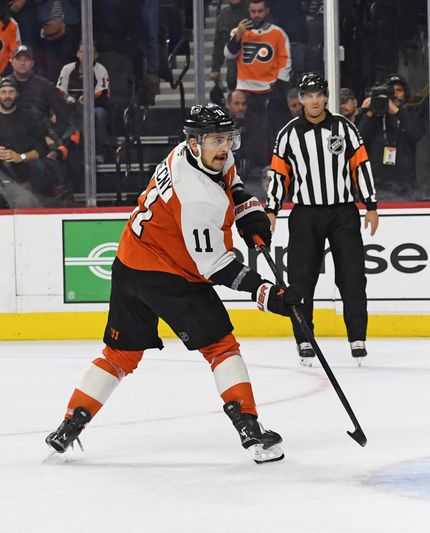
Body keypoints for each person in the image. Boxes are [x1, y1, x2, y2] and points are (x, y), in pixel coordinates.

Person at [44, 103, 303, 464]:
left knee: (120, 355)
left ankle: (69, 425)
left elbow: (230, 178)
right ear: (196, 143)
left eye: (227, 138)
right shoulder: (197, 198)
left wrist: (246, 209)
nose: (225, 147)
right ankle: (250, 429)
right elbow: (218, 268)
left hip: (129, 263)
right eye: (217, 140)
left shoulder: (190, 153)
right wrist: (267, 294)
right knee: (221, 348)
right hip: (170, 276)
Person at [266, 72, 378, 363]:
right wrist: (271, 209)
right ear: (300, 100)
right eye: (308, 95)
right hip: (305, 214)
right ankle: (304, 339)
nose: (315, 101)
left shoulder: (345, 128)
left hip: (343, 212)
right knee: (301, 281)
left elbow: (361, 166)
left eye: (319, 94)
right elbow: (279, 174)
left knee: (352, 277)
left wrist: (371, 205)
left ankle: (357, 337)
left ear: (326, 97)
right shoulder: (288, 133)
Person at [224, 0, 292, 160]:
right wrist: (238, 35)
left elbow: (285, 59)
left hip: (269, 90)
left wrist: (279, 83)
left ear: (266, 11)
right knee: (247, 131)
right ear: (248, 11)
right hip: (245, 90)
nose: (256, 15)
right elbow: (229, 54)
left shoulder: (278, 33)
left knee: (268, 131)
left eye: (260, 11)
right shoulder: (239, 31)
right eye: (253, 11)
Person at [0, 75, 67, 206]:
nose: (7, 96)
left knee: (26, 202)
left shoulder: (29, 118)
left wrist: (21, 156)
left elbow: (42, 149)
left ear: (17, 94)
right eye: (3, 92)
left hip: (22, 180)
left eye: (11, 91)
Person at [358, 73, 424, 201]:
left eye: (399, 90)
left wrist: (396, 111)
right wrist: (369, 111)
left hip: (406, 187)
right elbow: (359, 140)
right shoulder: (374, 117)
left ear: (406, 93)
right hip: (377, 186)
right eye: (391, 91)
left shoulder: (412, 115)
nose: (395, 94)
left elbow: (416, 134)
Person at [55, 40, 110, 161]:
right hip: (71, 106)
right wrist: (71, 100)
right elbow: (60, 91)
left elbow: (102, 92)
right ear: (77, 54)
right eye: (82, 52)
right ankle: (62, 149)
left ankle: (98, 151)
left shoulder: (100, 70)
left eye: (90, 52)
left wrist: (87, 99)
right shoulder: (67, 69)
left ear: (96, 55)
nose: (86, 55)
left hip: (93, 106)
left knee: (100, 114)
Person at [211, 0, 249, 91]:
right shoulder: (223, 15)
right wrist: (215, 68)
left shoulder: (254, 11)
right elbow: (218, 44)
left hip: (253, 69)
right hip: (233, 72)